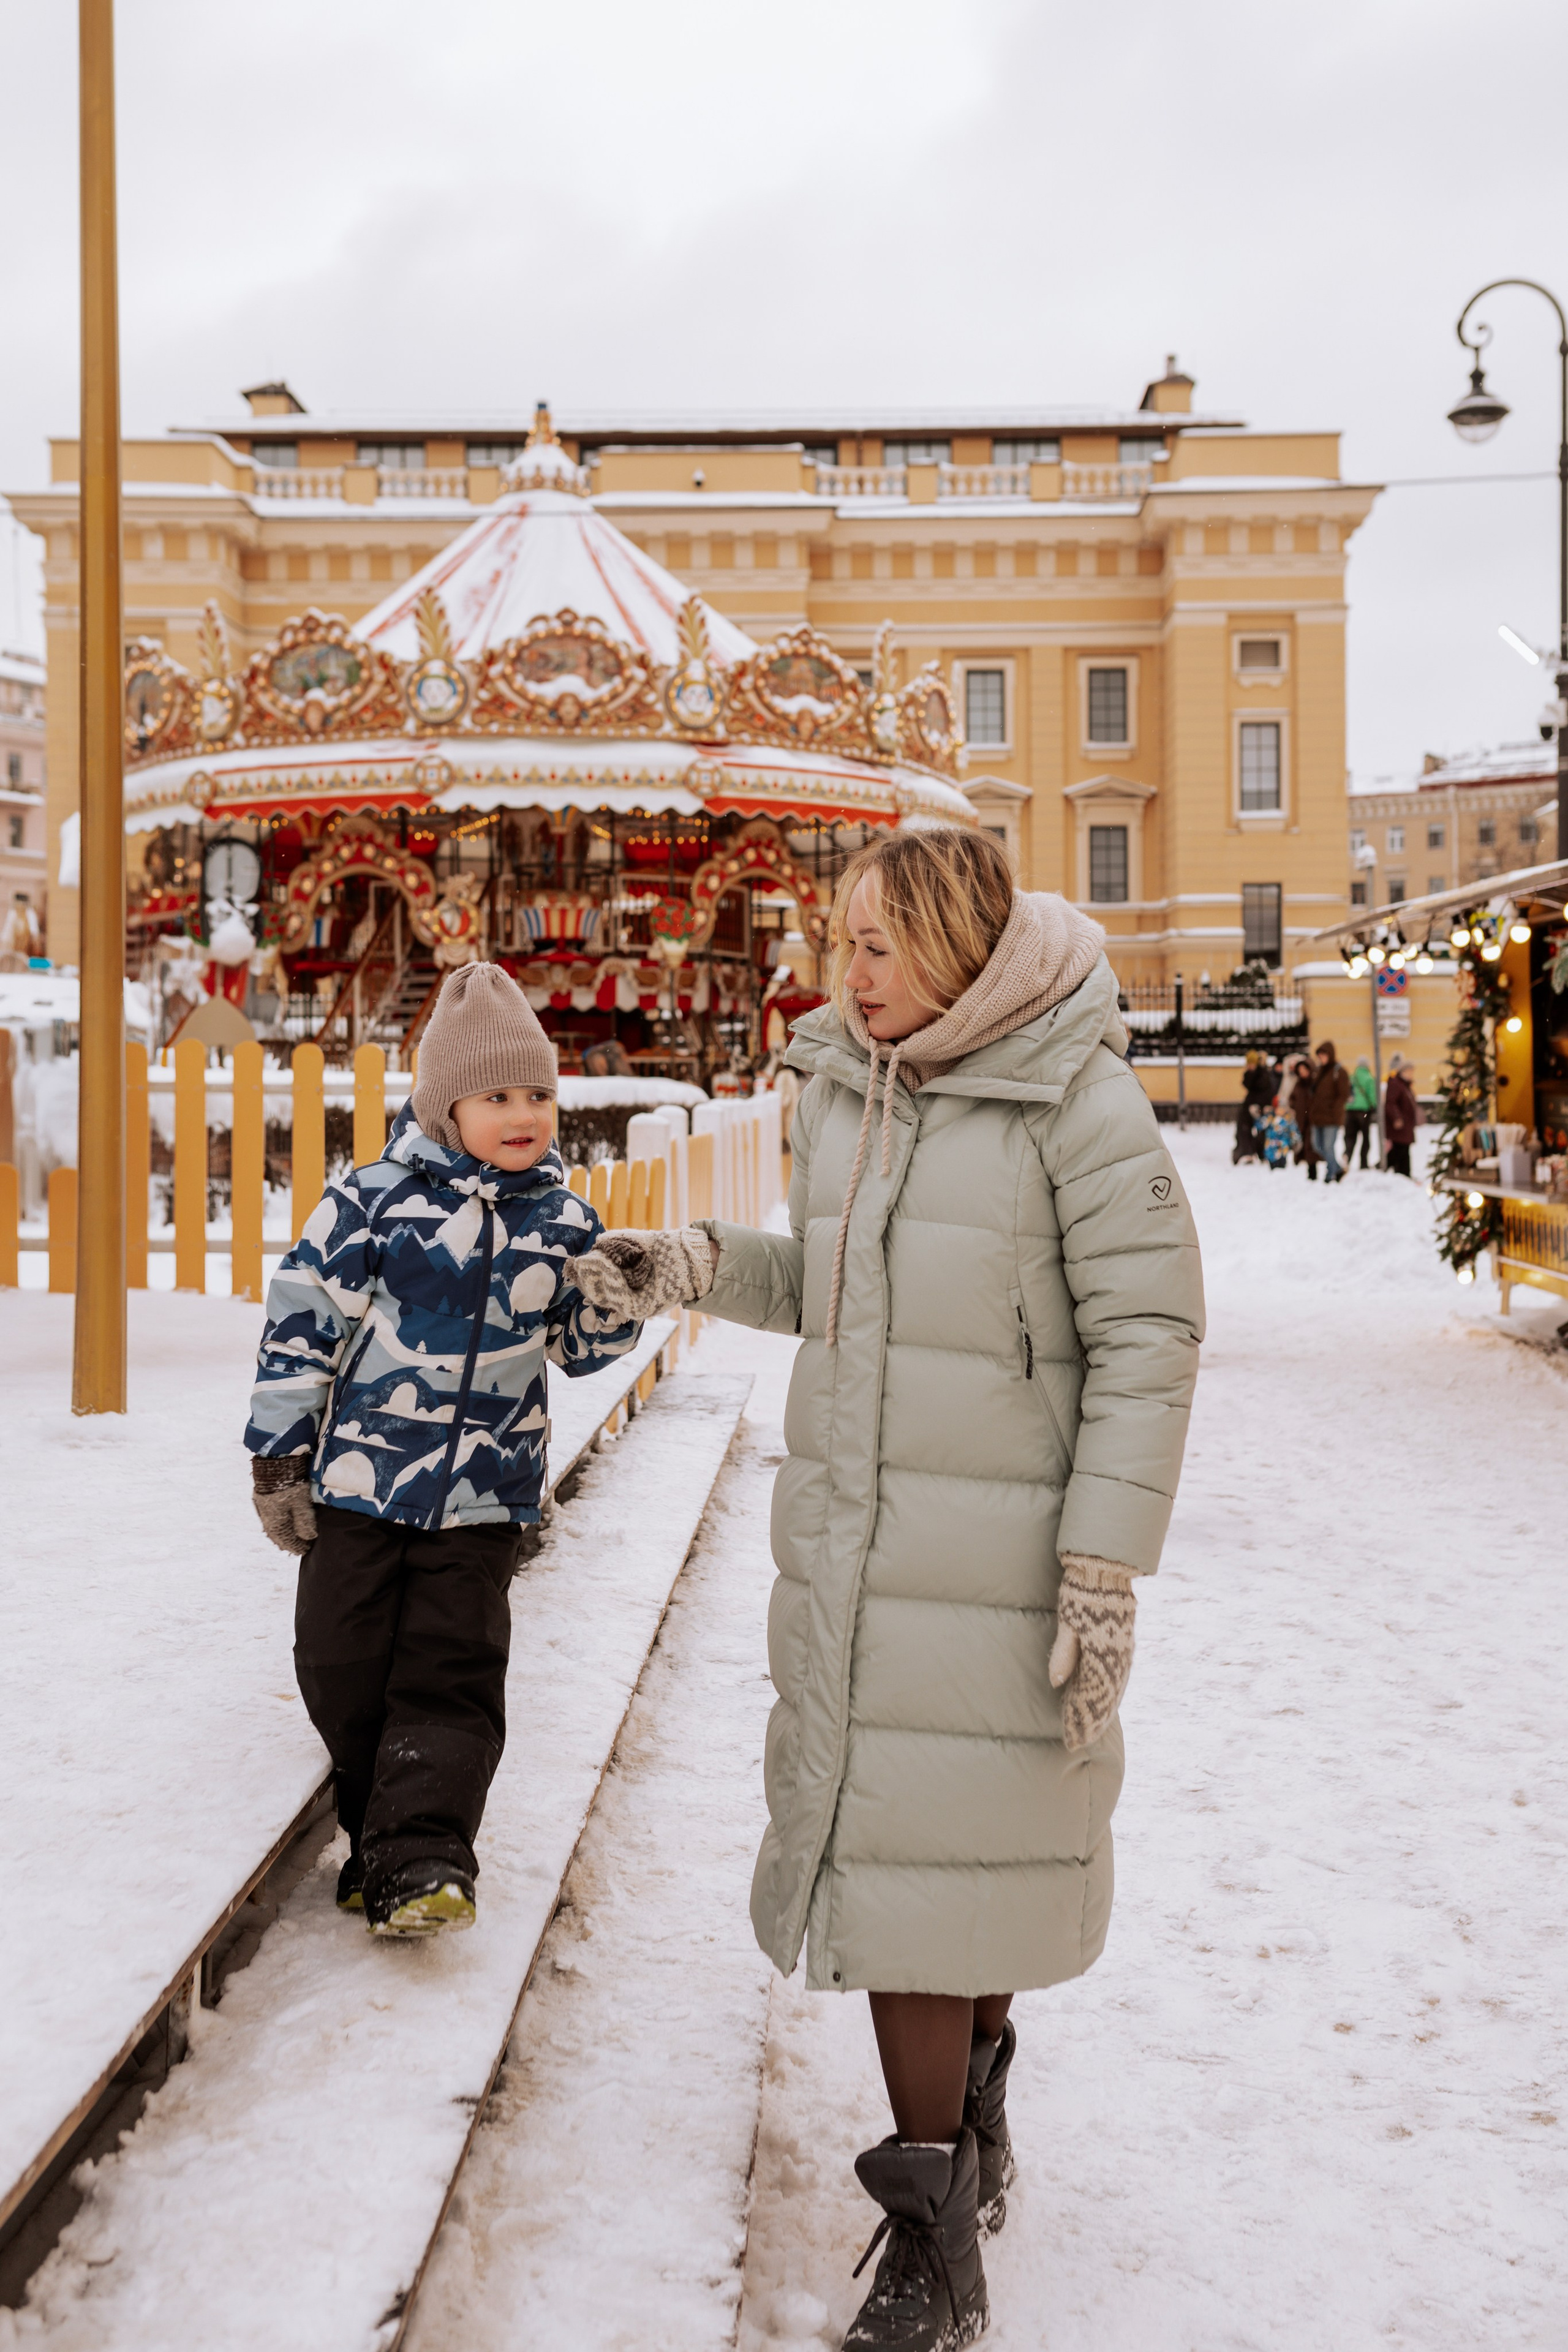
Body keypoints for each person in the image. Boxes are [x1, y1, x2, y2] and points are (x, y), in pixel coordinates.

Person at [583, 828, 1204, 2350]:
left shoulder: (1074, 1096)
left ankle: (936, 2226)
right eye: (837, 942)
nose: (841, 972)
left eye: (872, 946)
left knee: (949, 1873)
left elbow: (1149, 1333)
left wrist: (1100, 1563)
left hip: (1003, 1560)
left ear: (951, 946)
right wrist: (690, 1261)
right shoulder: (844, 1090)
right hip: (866, 1544)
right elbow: (832, 1284)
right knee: (916, 1868)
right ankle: (957, 2150)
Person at [243, 964, 680, 1937]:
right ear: (446, 1105)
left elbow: (575, 1350)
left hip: (485, 1498)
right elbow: (299, 1329)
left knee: (452, 1670)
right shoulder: (372, 1203)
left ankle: (427, 1856)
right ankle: (380, 1838)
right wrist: (278, 1458)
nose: (524, 1114)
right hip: (358, 1484)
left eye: (538, 1094)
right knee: (339, 1661)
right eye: (498, 1097)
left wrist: (616, 1302)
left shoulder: (562, 1222)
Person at [1308, 1039, 1351, 1183]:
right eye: (1319, 1055)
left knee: (1328, 1147)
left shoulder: (1339, 1072)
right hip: (1318, 1116)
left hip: (1331, 1117)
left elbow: (1343, 1095)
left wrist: (1335, 1110)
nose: (1321, 1058)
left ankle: (1330, 1174)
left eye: (1323, 1054)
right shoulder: (1318, 1071)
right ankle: (1337, 1169)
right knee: (1317, 1146)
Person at [1232, 1049, 1275, 1165]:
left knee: (1262, 1131)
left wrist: (1261, 1106)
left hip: (1261, 1106)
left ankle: (1262, 1154)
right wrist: (1251, 1072)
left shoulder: (1264, 1073)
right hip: (1250, 1105)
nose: (1250, 1066)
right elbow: (1247, 1084)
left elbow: (1264, 1088)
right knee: (1243, 1127)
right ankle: (1247, 1153)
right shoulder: (1251, 1074)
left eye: (1252, 1064)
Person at [1384, 1056, 1419, 1177]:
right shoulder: (1396, 1084)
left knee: (1404, 1150)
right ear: (1403, 1071)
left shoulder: (1404, 1085)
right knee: (1400, 1150)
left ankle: (1404, 1174)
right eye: (1409, 1071)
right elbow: (1390, 1103)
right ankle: (1394, 1171)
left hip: (1406, 1124)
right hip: (1400, 1125)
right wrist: (1397, 1118)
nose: (1411, 1074)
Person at [1287, 1056, 1320, 1178]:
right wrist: (1292, 1107)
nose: (1302, 1072)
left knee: (1311, 1146)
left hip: (1313, 1119)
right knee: (1304, 1146)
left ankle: (1313, 1172)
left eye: (1304, 1069)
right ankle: (1310, 1171)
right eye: (1300, 1070)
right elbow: (1292, 1098)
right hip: (1301, 1120)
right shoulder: (1298, 1084)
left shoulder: (1314, 1083)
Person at [1344, 1058, 1378, 1172]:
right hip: (1363, 1112)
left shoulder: (1352, 1078)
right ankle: (1364, 1162)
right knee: (1365, 1137)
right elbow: (1373, 1095)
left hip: (1350, 1111)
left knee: (1350, 1136)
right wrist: (1374, 1106)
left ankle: (1347, 1156)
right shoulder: (1369, 1078)